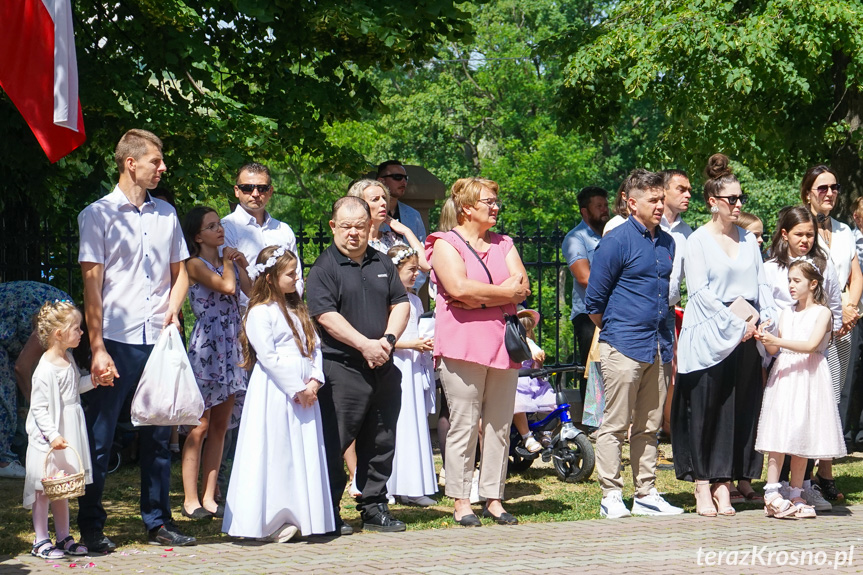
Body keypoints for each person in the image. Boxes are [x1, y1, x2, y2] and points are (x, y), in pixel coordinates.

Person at [77, 129, 194, 551]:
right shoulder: (97, 215)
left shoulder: (166, 214)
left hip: (158, 339)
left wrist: (173, 311)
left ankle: (158, 522)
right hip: (116, 339)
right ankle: (90, 525)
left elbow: (181, 272)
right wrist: (96, 348)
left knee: (160, 434)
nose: (162, 169)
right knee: (101, 435)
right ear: (131, 163)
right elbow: (92, 287)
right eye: (155, 162)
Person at [671, 153, 777, 518]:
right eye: (731, 199)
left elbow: (762, 285)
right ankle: (703, 484)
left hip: (747, 335)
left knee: (739, 409)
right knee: (706, 410)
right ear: (712, 203)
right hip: (711, 335)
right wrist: (736, 325)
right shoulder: (697, 240)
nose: (738, 204)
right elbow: (700, 293)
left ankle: (725, 483)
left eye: (741, 198)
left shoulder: (749, 239)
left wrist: (764, 323)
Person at [425, 177, 530, 527]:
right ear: (467, 207)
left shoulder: (504, 242)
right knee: (465, 424)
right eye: (489, 201)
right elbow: (456, 287)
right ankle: (460, 500)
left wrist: (477, 297)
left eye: (497, 200)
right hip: (463, 344)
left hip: (504, 343)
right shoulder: (444, 244)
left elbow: (522, 287)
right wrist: (501, 293)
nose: (496, 207)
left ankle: (494, 498)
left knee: (499, 425)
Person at [306, 196, 410, 534]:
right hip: (342, 368)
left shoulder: (382, 261)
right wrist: (364, 345)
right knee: (335, 441)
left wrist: (388, 341)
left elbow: (401, 303)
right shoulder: (324, 268)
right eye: (347, 226)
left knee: (381, 440)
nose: (354, 233)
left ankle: (374, 506)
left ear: (370, 228)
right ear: (333, 226)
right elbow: (325, 315)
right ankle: (328, 511)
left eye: (360, 227)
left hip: (383, 364)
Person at [585, 169, 682, 519]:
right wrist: (619, 331)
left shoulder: (668, 242)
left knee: (649, 425)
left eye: (661, 199)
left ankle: (646, 492)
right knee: (614, 424)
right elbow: (594, 301)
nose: (660, 205)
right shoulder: (616, 240)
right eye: (653, 200)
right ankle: (610, 494)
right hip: (623, 345)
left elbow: (668, 297)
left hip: (658, 346)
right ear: (631, 203)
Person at [222, 246, 334, 541]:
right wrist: (296, 388)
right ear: (270, 277)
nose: (297, 279)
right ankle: (270, 519)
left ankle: (302, 513)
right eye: (291, 274)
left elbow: (315, 349)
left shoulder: (299, 311)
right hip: (276, 390)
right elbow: (268, 357)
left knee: (302, 451)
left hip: (304, 391)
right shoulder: (259, 313)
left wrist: (313, 381)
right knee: (276, 451)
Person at [763, 206, 843, 512]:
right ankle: (773, 490)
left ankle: (798, 490)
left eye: (796, 281)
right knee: (781, 431)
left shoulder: (822, 313)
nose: (790, 286)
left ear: (812, 284)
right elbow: (774, 350)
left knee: (804, 432)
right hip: (785, 377)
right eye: (789, 280)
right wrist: (766, 338)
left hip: (809, 376)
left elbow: (810, 345)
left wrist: (777, 341)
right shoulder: (786, 311)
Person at [179, 207, 251, 520]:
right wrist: (227, 262)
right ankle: (189, 499)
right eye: (211, 226)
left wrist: (241, 264)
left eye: (219, 224)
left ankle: (210, 497)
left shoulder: (228, 262)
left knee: (221, 426)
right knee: (200, 425)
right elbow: (226, 287)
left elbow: (248, 290)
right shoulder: (194, 263)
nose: (219, 230)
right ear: (198, 236)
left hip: (231, 344)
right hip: (208, 347)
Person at [802, 165, 861, 502]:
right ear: (808, 192)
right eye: (822, 188)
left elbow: (855, 273)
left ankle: (825, 471)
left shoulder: (843, 231)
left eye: (834, 187)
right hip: (814, 325)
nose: (829, 193)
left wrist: (849, 309)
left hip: (843, 326)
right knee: (812, 398)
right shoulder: (801, 225)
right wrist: (834, 312)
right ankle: (804, 473)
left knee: (834, 399)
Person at [24, 301, 98, 559]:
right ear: (59, 333)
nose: (81, 333)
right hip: (50, 436)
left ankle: (64, 535)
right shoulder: (44, 369)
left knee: (62, 486)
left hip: (69, 429)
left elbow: (73, 389)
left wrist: (94, 381)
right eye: (76, 329)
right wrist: (52, 436)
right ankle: (41, 539)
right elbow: (39, 408)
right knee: (44, 488)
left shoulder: (68, 358)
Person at [1, 282, 73, 480]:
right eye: (78, 330)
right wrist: (37, 405)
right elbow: (21, 367)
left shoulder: (67, 320)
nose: (81, 334)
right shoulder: (57, 323)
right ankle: (3, 461)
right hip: (4, 321)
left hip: (10, 322)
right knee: (3, 392)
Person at [385, 244, 438, 507]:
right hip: (397, 364)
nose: (416, 274)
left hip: (415, 366)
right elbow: (383, 338)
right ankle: (389, 485)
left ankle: (413, 484)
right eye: (411, 270)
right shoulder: (387, 299)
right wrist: (411, 344)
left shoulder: (415, 300)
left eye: (417, 269)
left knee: (414, 423)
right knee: (396, 422)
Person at [222, 162, 303, 298]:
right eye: (247, 188)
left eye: (262, 188)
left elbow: (297, 277)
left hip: (285, 310)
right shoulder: (224, 228)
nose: (255, 194)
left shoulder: (283, 230)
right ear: (236, 191)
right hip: (244, 313)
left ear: (270, 191)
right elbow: (229, 279)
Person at [562, 186, 609, 397]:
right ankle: (593, 424)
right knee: (592, 371)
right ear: (585, 211)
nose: (605, 210)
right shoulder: (575, 238)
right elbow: (584, 278)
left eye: (606, 205)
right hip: (588, 316)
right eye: (598, 206)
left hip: (618, 312)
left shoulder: (614, 235)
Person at [658, 170, 693, 441]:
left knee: (671, 373)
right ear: (664, 191)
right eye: (681, 189)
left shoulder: (687, 233)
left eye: (689, 189)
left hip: (669, 312)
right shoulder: (648, 226)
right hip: (640, 313)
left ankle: (669, 428)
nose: (688, 195)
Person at [348, 179, 431, 273]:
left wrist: (406, 231)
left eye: (384, 197)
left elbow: (426, 265)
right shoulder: (353, 239)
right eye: (375, 199)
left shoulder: (391, 239)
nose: (383, 203)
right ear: (359, 205)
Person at [377, 160, 428, 290]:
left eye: (406, 178)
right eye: (397, 177)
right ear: (381, 181)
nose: (403, 182)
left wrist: (411, 288)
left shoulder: (413, 215)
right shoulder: (371, 215)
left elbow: (423, 260)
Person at [512, 307, 556, 454]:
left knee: (553, 401)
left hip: (532, 382)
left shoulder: (532, 347)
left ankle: (546, 432)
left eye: (529, 331)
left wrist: (538, 362)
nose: (527, 335)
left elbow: (536, 370)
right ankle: (527, 436)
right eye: (523, 331)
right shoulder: (510, 346)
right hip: (517, 383)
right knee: (517, 404)